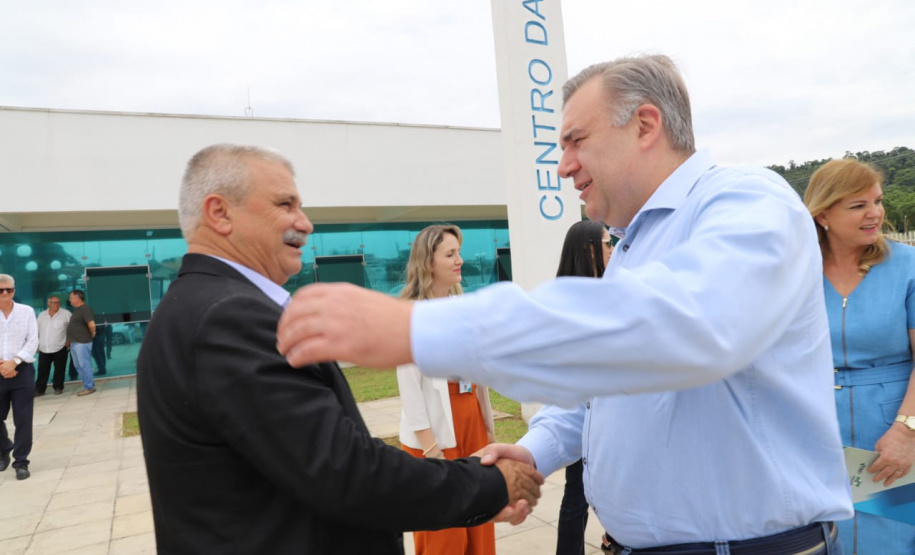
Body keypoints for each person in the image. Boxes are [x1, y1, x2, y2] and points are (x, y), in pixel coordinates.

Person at [277, 54, 854, 554]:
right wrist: (537, 447)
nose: (563, 165)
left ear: (645, 125)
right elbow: (614, 382)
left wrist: (419, 327)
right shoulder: (635, 241)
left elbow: (683, 328)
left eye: (576, 140)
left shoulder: (749, 202)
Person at [137, 143, 543, 554]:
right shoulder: (230, 316)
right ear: (219, 213)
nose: (306, 223)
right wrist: (491, 484)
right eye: (286, 204)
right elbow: (345, 472)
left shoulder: (195, 304)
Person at [804, 158, 915, 554]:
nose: (876, 214)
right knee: (819, 538)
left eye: (878, 201)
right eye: (858, 205)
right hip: (813, 431)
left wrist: (907, 430)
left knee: (892, 540)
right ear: (823, 215)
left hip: (891, 433)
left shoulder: (908, 266)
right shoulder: (795, 271)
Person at [396, 224, 498, 555]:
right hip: (435, 436)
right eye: (450, 254)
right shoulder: (411, 314)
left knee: (479, 527)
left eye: (459, 253)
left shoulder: (463, 307)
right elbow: (410, 389)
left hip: (472, 425)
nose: (460, 261)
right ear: (428, 263)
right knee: (443, 537)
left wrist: (490, 434)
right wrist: (431, 450)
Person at [550, 220, 611, 555]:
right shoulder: (567, 300)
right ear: (589, 249)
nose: (612, 248)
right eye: (606, 242)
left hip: (614, 411)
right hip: (582, 413)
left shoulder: (611, 289)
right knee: (576, 496)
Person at [0, 274, 39, 481]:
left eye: (9, 290)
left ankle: (21, 462)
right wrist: (3, 365)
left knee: (23, 419)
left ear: (14, 291)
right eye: (1, 290)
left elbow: (33, 340)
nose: (5, 293)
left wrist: (14, 362)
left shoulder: (26, 312)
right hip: (0, 369)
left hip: (21, 371)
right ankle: (4, 447)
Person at [35, 294, 71, 396]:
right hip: (44, 348)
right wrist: (36, 345)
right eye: (54, 302)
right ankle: (40, 390)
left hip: (60, 347)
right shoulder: (42, 315)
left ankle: (58, 387)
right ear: (48, 303)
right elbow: (36, 331)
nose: (56, 304)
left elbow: (72, 328)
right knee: (42, 370)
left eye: (58, 302)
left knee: (59, 369)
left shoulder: (66, 314)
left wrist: (68, 342)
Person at [66, 289, 96, 396]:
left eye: (71, 298)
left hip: (82, 342)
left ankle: (89, 387)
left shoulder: (85, 309)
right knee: (78, 365)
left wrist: (92, 333)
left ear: (77, 298)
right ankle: (86, 385)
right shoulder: (77, 310)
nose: (70, 300)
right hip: (75, 342)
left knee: (84, 364)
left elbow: (91, 324)